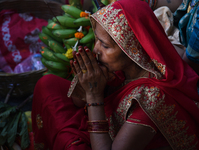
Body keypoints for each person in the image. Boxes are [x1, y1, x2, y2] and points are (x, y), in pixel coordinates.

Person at [31, 0, 199, 149]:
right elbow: (77, 102)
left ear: (132, 51)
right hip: (105, 121)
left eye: (104, 45)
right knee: (48, 85)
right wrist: (87, 79)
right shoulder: (122, 67)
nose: (95, 49)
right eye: (96, 39)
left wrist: (94, 96)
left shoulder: (152, 99)